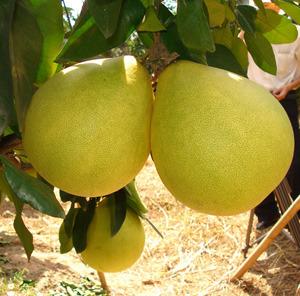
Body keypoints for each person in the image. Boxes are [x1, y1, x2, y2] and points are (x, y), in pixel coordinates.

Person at [244, 3, 300, 230]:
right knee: (256, 159)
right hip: (255, 102)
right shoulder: (247, 33)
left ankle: (295, 212)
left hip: (284, 101)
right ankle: (266, 215)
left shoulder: (295, 33)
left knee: (294, 159)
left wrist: (289, 87)